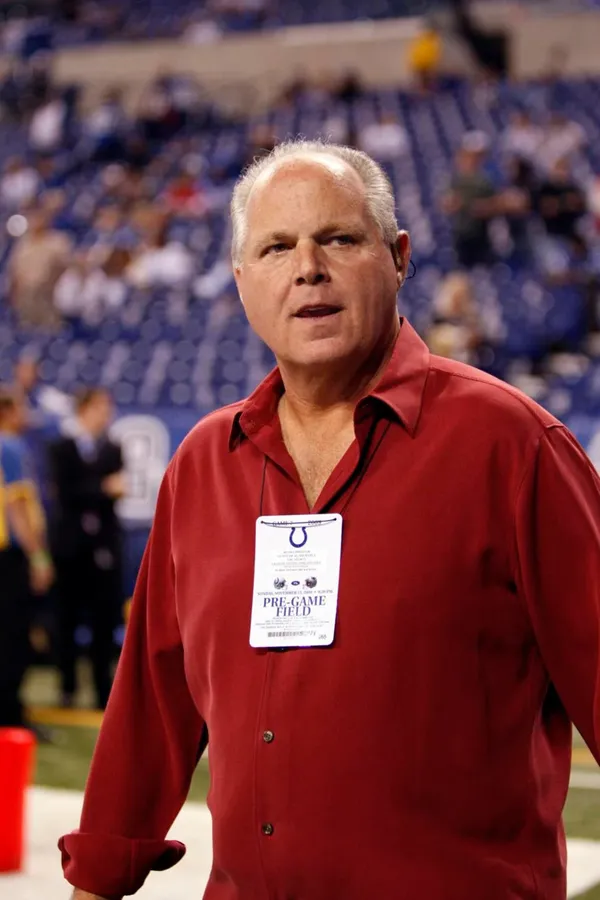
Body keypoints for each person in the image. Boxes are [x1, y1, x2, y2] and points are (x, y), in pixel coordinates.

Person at [61, 139, 600, 900]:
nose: (307, 268)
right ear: (243, 282)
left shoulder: (513, 446)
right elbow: (150, 704)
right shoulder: (204, 464)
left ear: (399, 257)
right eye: (276, 247)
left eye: (339, 239)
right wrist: (97, 878)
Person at [48, 387, 125, 711]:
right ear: (84, 409)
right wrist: (101, 489)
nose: (107, 414)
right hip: (69, 548)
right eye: (101, 407)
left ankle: (102, 690)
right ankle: (67, 687)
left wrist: (100, 491)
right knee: (65, 618)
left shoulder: (112, 448)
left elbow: (114, 491)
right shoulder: (61, 448)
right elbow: (65, 494)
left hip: (103, 547)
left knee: (103, 621)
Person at [0, 387, 53, 729]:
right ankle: (9, 713)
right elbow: (17, 507)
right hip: (9, 556)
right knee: (13, 637)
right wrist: (38, 557)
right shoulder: (9, 446)